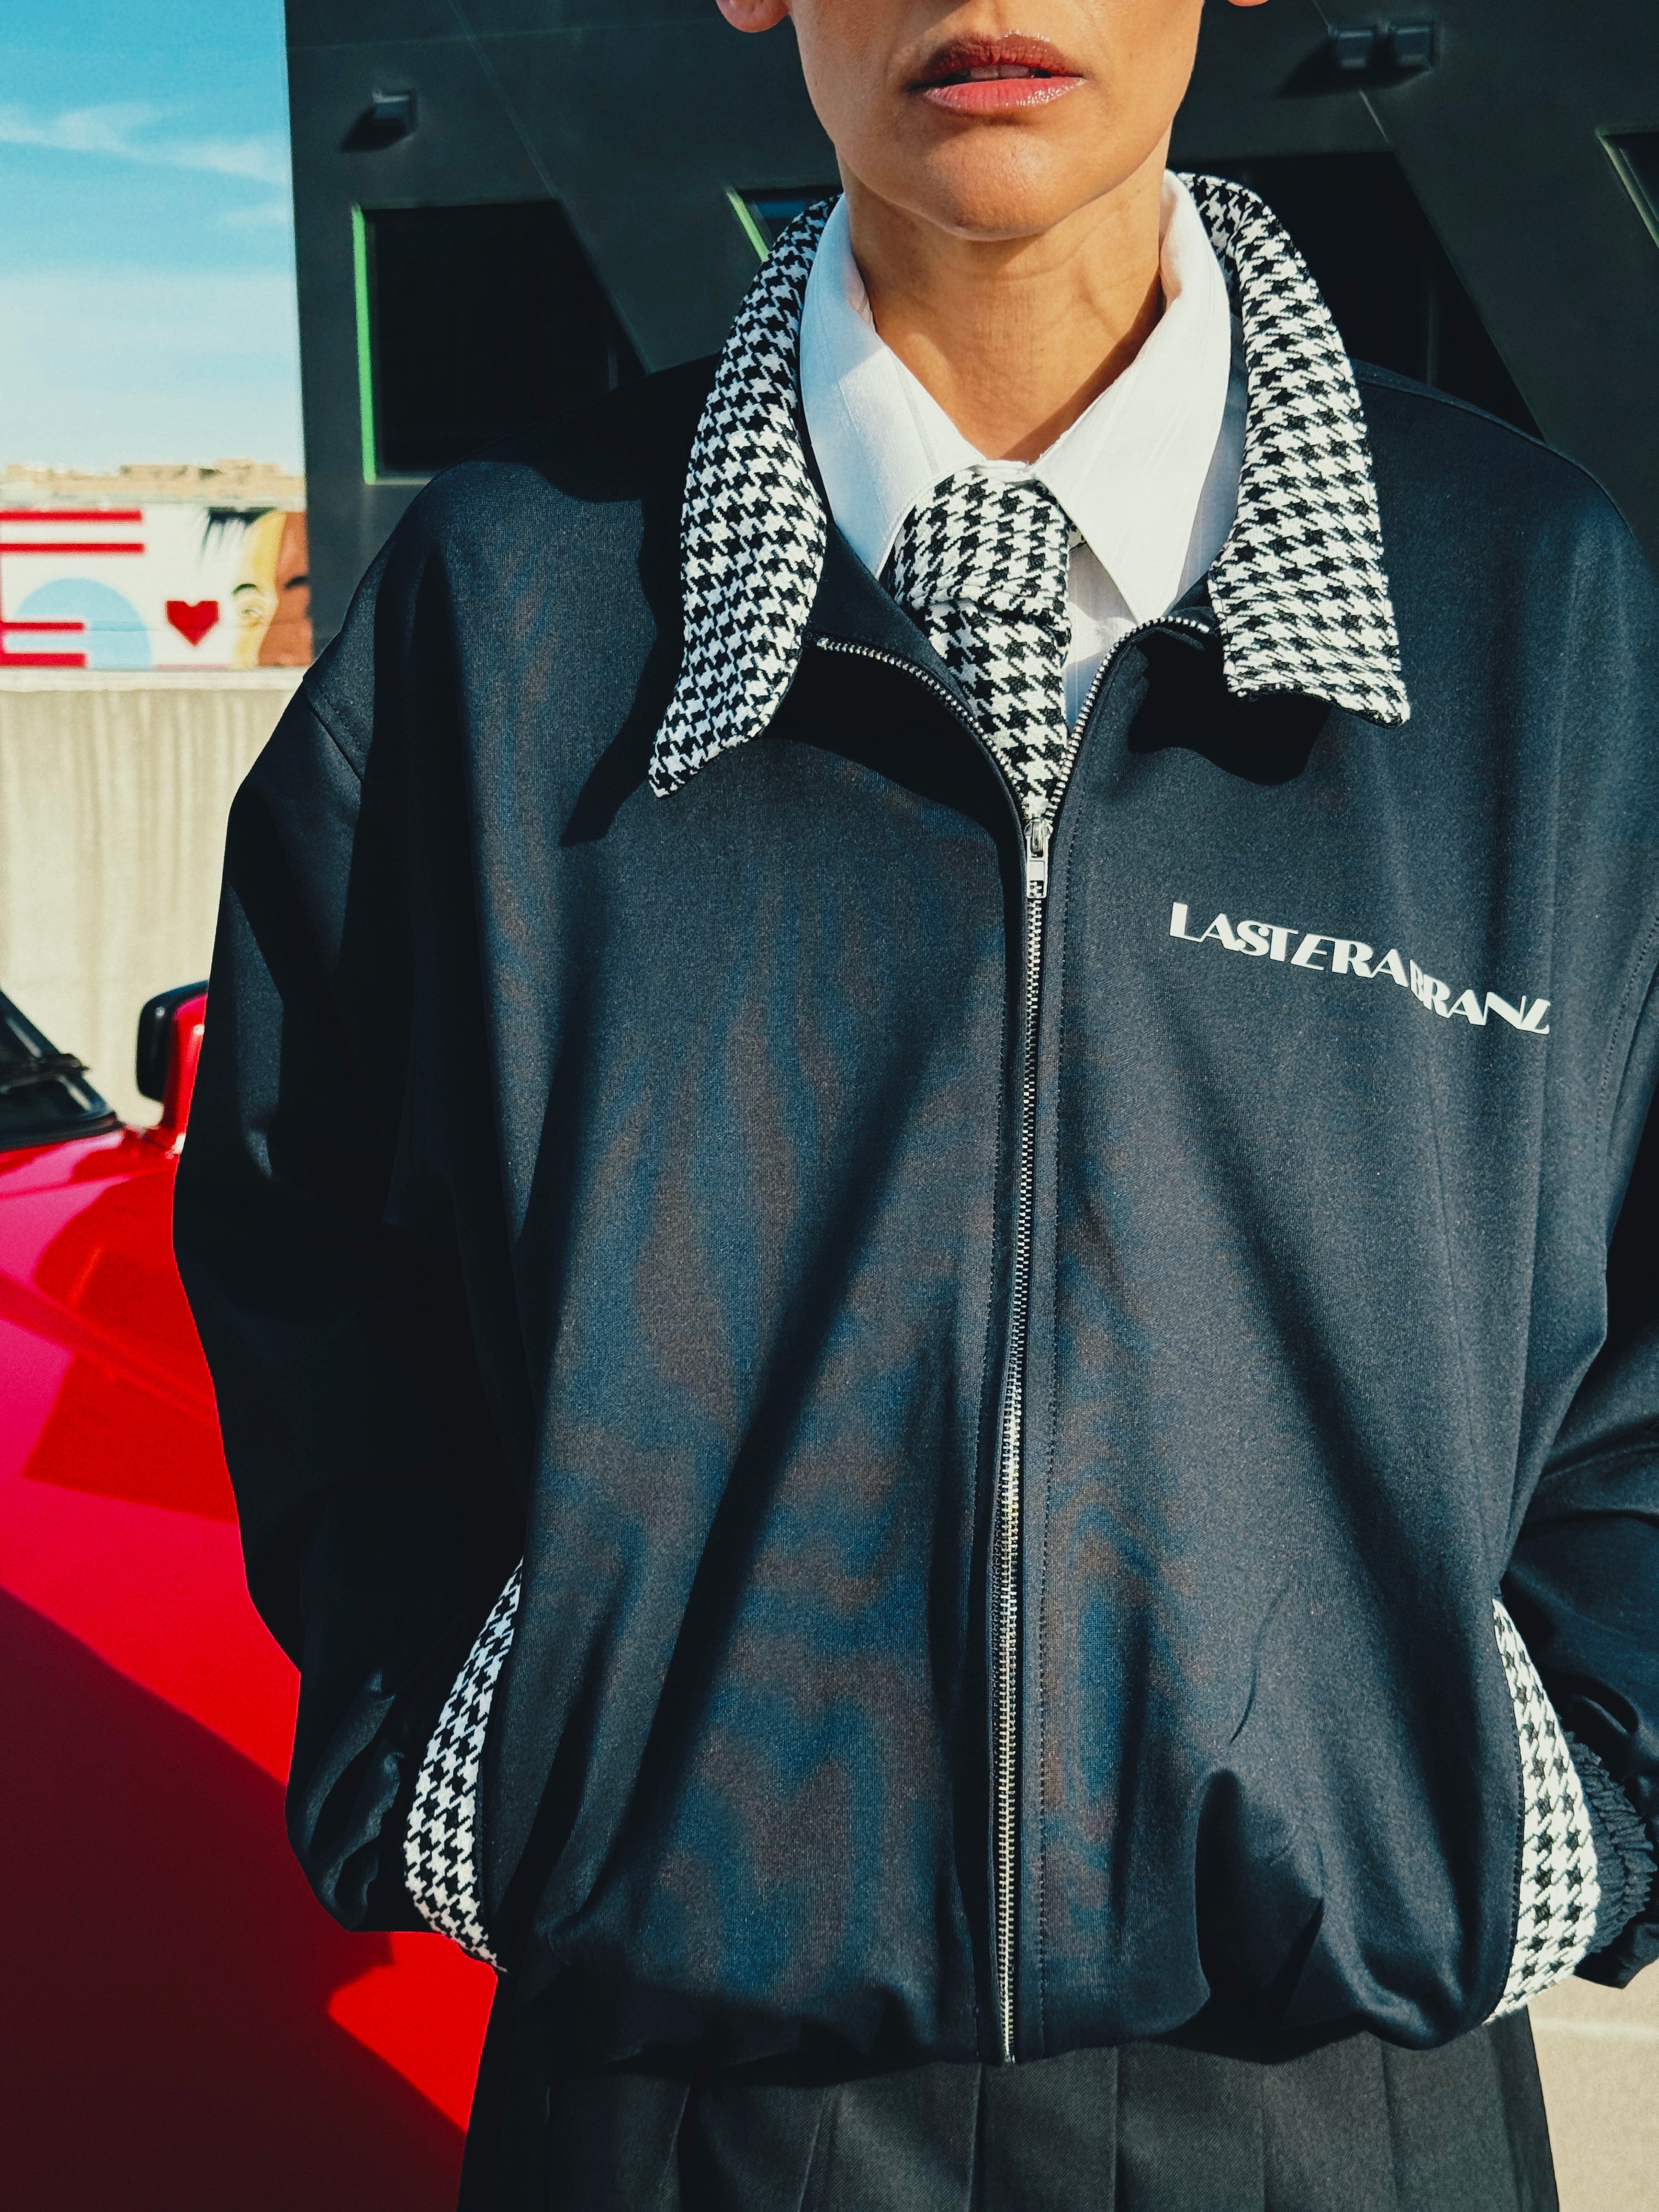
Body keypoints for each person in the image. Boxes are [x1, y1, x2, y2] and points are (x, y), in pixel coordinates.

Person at [174, 0, 1659, 2204]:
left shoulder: (1535, 606)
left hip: (1350, 2110)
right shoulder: (507, 608)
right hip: (667, 2108)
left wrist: (1572, 1787)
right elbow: (308, 1251)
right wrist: (484, 1758)